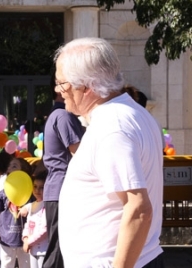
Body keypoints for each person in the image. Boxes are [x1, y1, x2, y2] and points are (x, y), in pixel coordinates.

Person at [55, 37, 164, 268]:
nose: (58, 90)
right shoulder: (133, 113)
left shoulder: (112, 126)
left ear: (86, 86)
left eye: (62, 83)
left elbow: (138, 209)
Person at [42, 72, 83, 268]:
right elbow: (80, 154)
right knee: (59, 252)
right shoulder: (64, 115)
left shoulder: (57, 114)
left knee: (60, 252)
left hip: (57, 189)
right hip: (63, 190)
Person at [22, 159, 48, 268]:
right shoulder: (32, 205)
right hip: (32, 249)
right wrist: (25, 238)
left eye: (41, 187)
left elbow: (44, 229)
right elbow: (28, 224)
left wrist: (29, 241)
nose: (37, 190)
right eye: (35, 186)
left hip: (44, 250)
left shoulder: (47, 206)